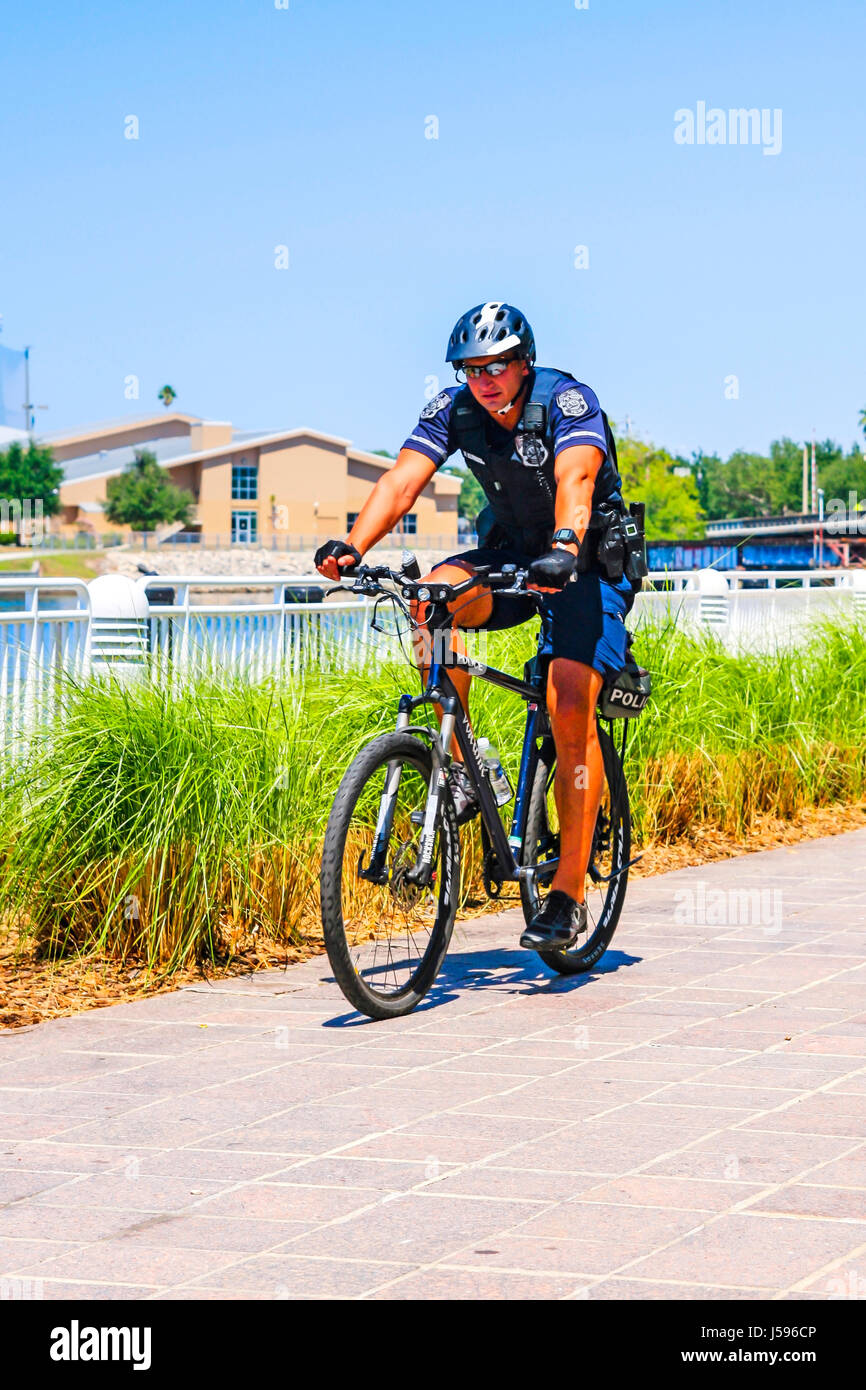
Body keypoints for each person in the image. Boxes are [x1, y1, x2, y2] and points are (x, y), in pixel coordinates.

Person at [315, 302, 640, 951]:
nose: (484, 379)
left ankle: (568, 895)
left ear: (523, 362)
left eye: (496, 366)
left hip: (585, 559)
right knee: (431, 597)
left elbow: (575, 477)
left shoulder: (566, 402)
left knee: (567, 696)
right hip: (514, 552)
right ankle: (463, 770)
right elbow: (402, 481)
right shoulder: (454, 410)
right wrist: (352, 546)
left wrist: (568, 544)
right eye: (471, 368)